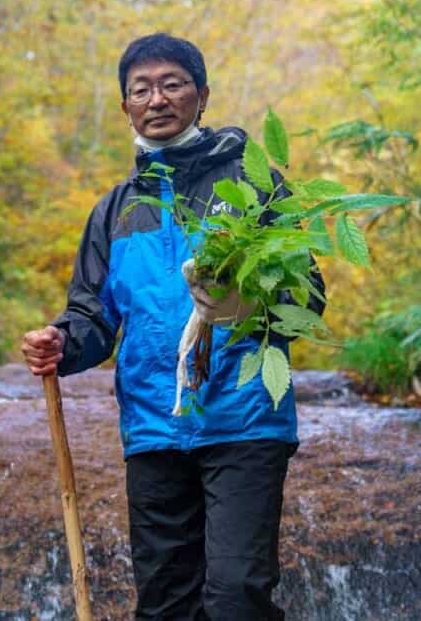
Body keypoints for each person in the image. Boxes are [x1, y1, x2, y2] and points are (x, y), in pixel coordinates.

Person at [21, 32, 325, 620]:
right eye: (141, 89)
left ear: (202, 96)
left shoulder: (254, 188)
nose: (157, 99)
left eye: (172, 84)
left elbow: (308, 296)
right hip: (153, 428)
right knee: (164, 604)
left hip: (245, 420)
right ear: (125, 106)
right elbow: (92, 316)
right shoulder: (115, 211)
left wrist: (246, 299)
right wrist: (60, 342)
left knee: (237, 597)